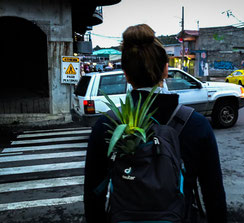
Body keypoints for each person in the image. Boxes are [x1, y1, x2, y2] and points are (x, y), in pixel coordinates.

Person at [84, 24, 227, 223]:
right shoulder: (196, 124)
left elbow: (93, 195)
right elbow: (214, 196)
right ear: (166, 70)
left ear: (125, 74)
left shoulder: (106, 125)